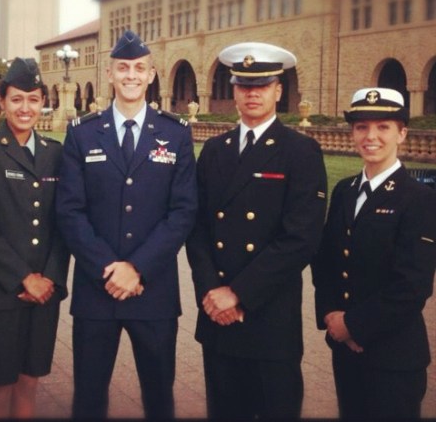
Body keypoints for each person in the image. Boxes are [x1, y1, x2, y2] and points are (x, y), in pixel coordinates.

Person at [56, 30, 197, 419]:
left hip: (152, 291)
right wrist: (109, 268)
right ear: (110, 73)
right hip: (96, 289)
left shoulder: (175, 133)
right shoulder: (83, 133)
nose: (131, 75)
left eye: (139, 68)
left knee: (158, 398)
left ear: (152, 75)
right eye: (123, 68)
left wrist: (136, 268)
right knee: (88, 398)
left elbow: (183, 211)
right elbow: (70, 210)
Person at [186, 41, 328, 419]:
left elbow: (301, 238)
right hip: (216, 316)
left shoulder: (300, 151)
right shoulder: (215, 150)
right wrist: (210, 292)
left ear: (278, 91)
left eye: (261, 85)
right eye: (244, 85)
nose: (252, 94)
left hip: (268, 320)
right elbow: (196, 228)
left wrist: (238, 295)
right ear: (234, 90)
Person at [312, 87, 436, 419]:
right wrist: (331, 316)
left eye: (383, 127)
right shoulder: (345, 191)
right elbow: (325, 261)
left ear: (402, 133)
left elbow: (413, 285)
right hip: (346, 352)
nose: (371, 136)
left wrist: (353, 324)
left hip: (393, 358)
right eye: (362, 127)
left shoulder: (419, 198)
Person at [0, 57, 69, 418]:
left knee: (29, 381)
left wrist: (50, 278)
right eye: (17, 99)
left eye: (34, 99)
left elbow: (63, 224)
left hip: (44, 295)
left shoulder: (57, 154)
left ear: (43, 102)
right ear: (2, 101)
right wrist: (25, 279)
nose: (26, 108)